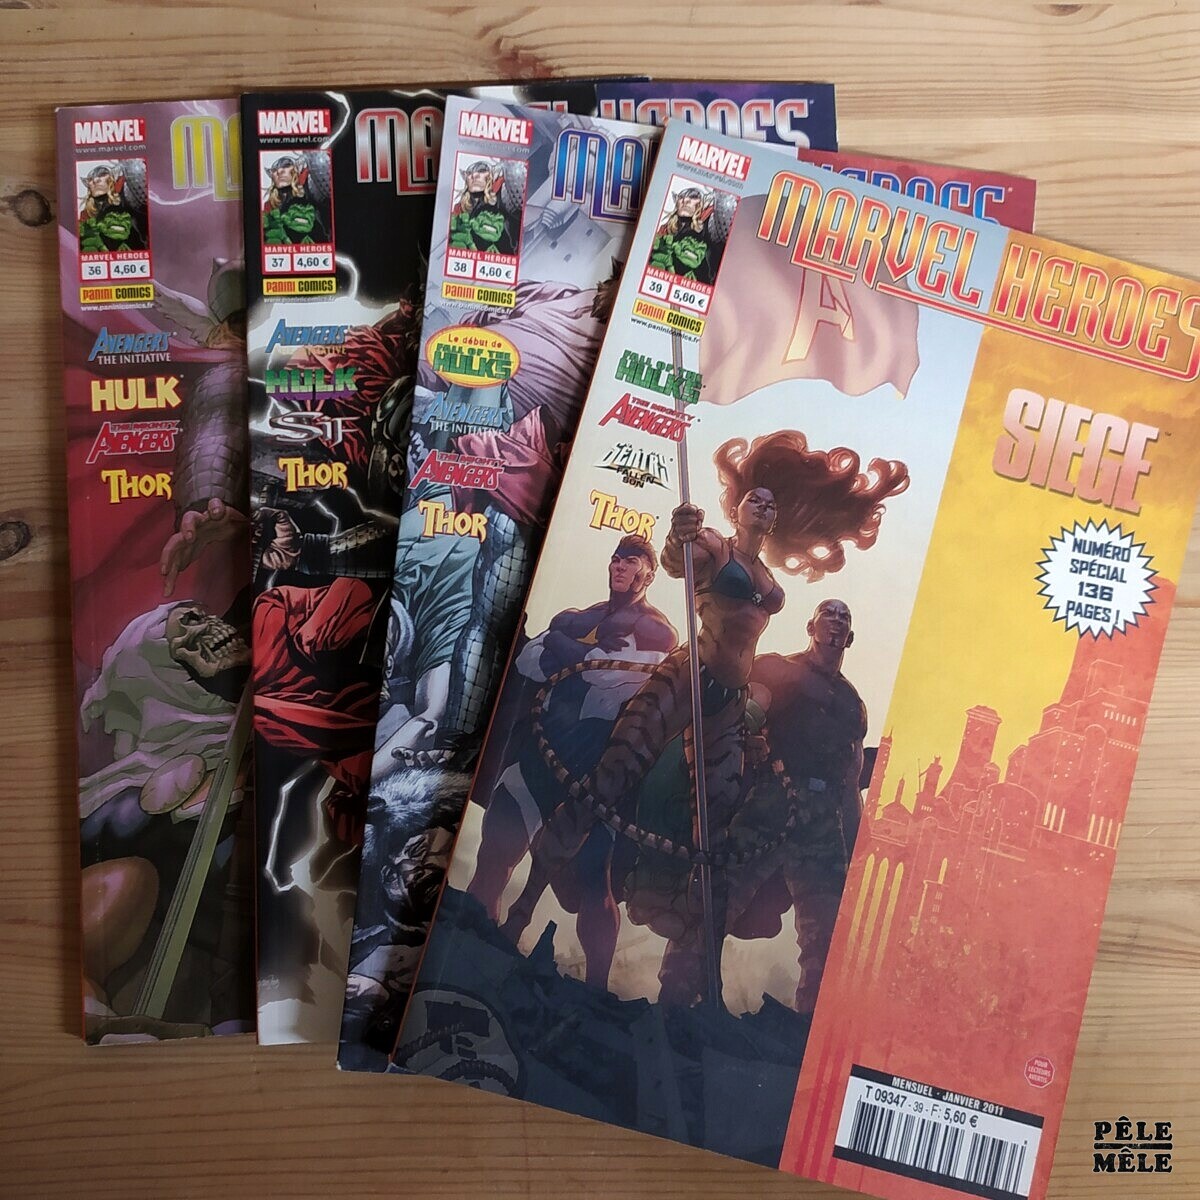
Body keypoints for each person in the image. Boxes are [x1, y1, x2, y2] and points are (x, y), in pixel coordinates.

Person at [503, 431, 909, 1005]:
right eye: (754, 499)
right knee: (609, 780)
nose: (762, 507)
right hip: (687, 678)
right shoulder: (714, 546)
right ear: (737, 507)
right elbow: (680, 564)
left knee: (711, 840)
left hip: (727, 705)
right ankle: (520, 911)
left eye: (770, 504)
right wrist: (679, 537)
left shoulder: (770, 584)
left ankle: (691, 986)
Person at [470, 534, 676, 988]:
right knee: (495, 852)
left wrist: (566, 649)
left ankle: (595, 990)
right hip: (540, 756)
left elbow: (612, 678)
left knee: (593, 882)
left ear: (648, 574)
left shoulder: (656, 630)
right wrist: (577, 651)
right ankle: (474, 948)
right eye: (617, 559)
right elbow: (529, 660)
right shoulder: (578, 617)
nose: (620, 566)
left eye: (632, 561)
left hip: (596, 771)